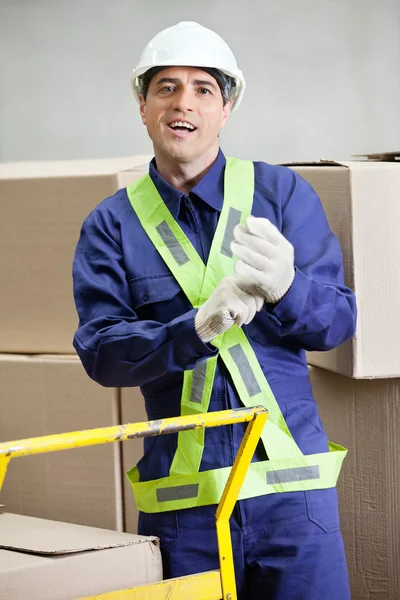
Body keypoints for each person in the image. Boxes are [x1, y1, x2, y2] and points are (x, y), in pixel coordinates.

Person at [72, 21, 357, 600]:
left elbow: (338, 323)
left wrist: (287, 287)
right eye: (167, 88)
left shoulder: (283, 194)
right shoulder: (111, 224)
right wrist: (193, 328)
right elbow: (102, 354)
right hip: (184, 516)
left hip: (292, 505)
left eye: (204, 89)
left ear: (226, 108)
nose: (185, 103)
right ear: (144, 106)